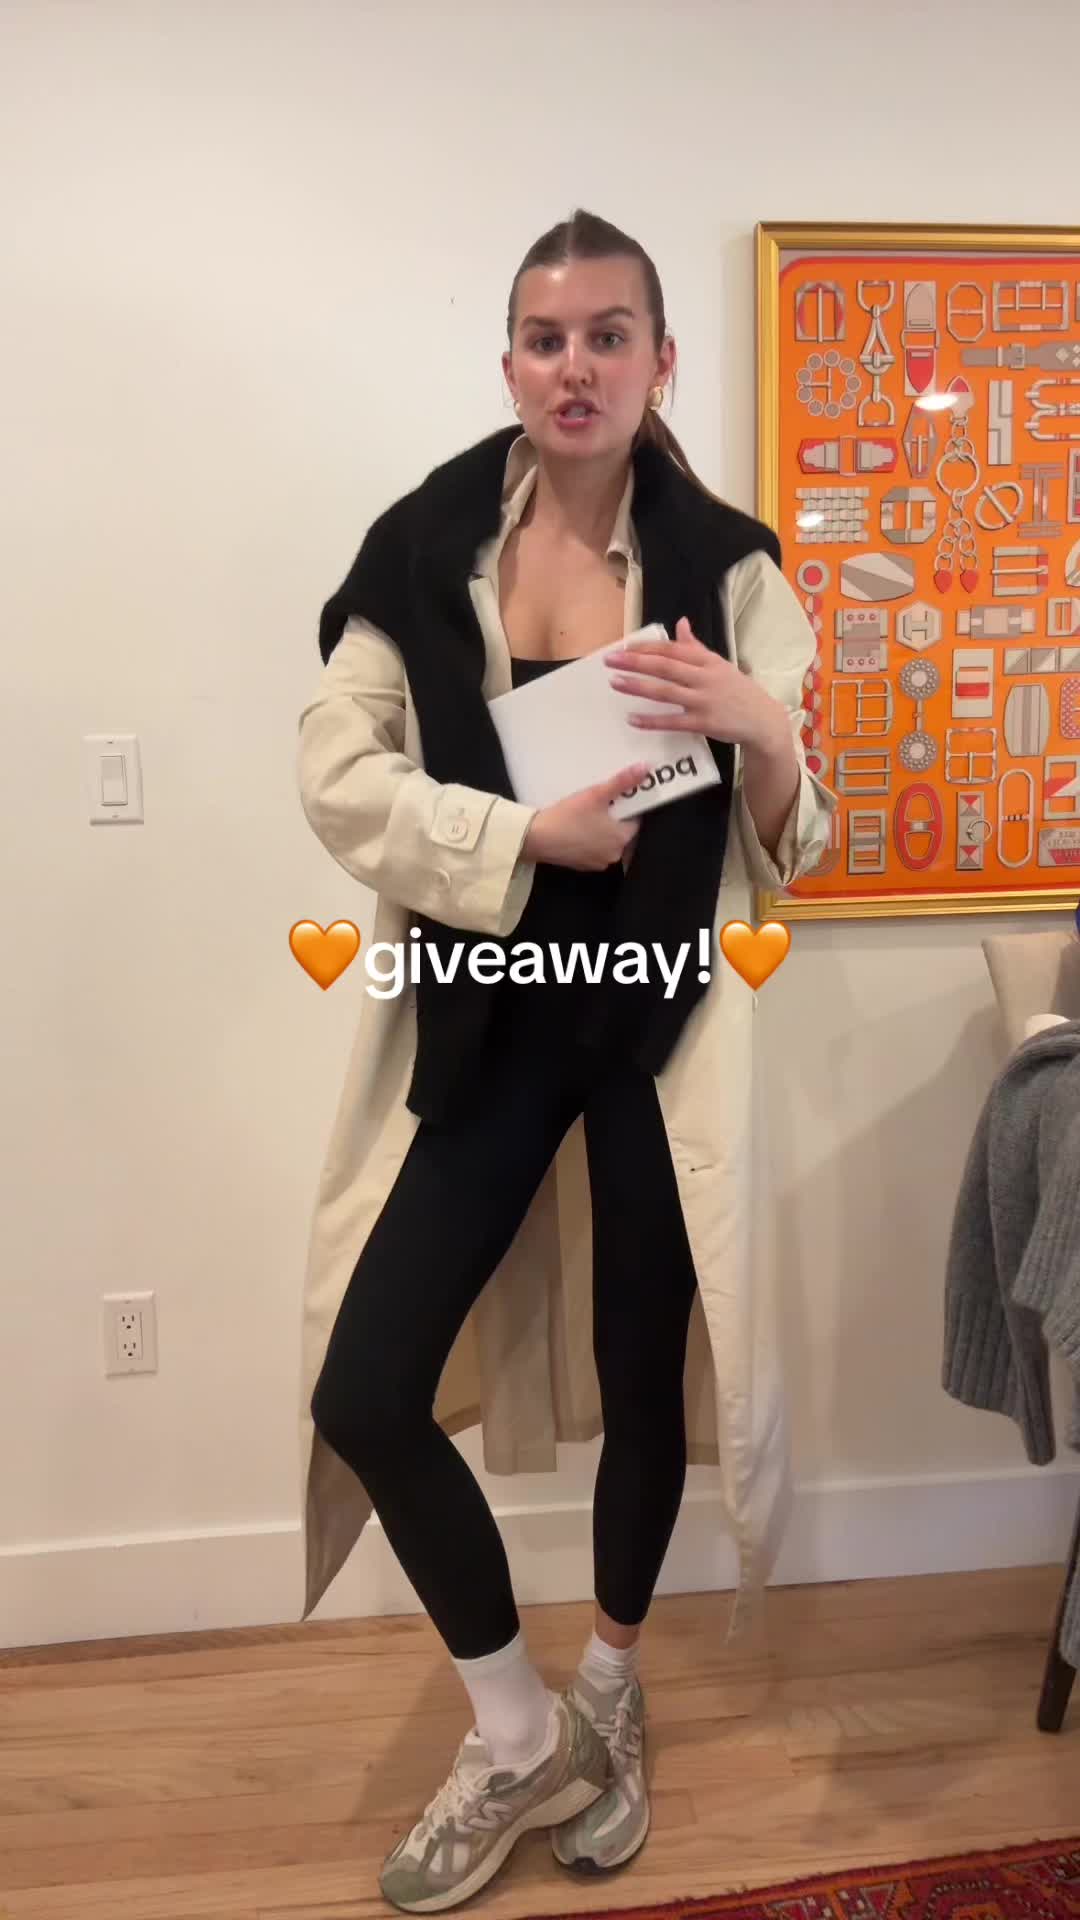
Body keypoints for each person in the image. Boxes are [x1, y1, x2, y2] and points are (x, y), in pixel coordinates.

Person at [295, 208, 835, 1915]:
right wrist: (526, 834)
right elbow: (338, 778)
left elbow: (801, 837)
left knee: (639, 1362)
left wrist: (761, 729)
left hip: (662, 1028)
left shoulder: (732, 568)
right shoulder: (423, 546)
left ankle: (610, 1682)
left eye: (610, 335)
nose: (577, 365)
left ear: (662, 362)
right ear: (511, 363)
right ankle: (517, 1731)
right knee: (366, 1386)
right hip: (493, 1014)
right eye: (547, 337)